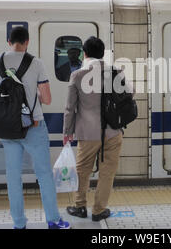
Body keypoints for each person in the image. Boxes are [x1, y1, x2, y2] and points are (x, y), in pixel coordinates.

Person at [0, 26, 70, 229]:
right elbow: (47, 99)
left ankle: (19, 223)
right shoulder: (35, 63)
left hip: (7, 129)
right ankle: (53, 220)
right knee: (43, 175)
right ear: (27, 41)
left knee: (13, 176)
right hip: (33, 126)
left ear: (9, 41)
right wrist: (34, 96)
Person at [64, 37, 127, 222]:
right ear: (102, 53)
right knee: (107, 172)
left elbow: (70, 108)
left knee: (82, 170)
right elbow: (131, 93)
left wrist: (67, 132)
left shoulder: (77, 75)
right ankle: (99, 210)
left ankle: (80, 206)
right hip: (113, 131)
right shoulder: (115, 72)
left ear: (85, 53)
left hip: (87, 133)